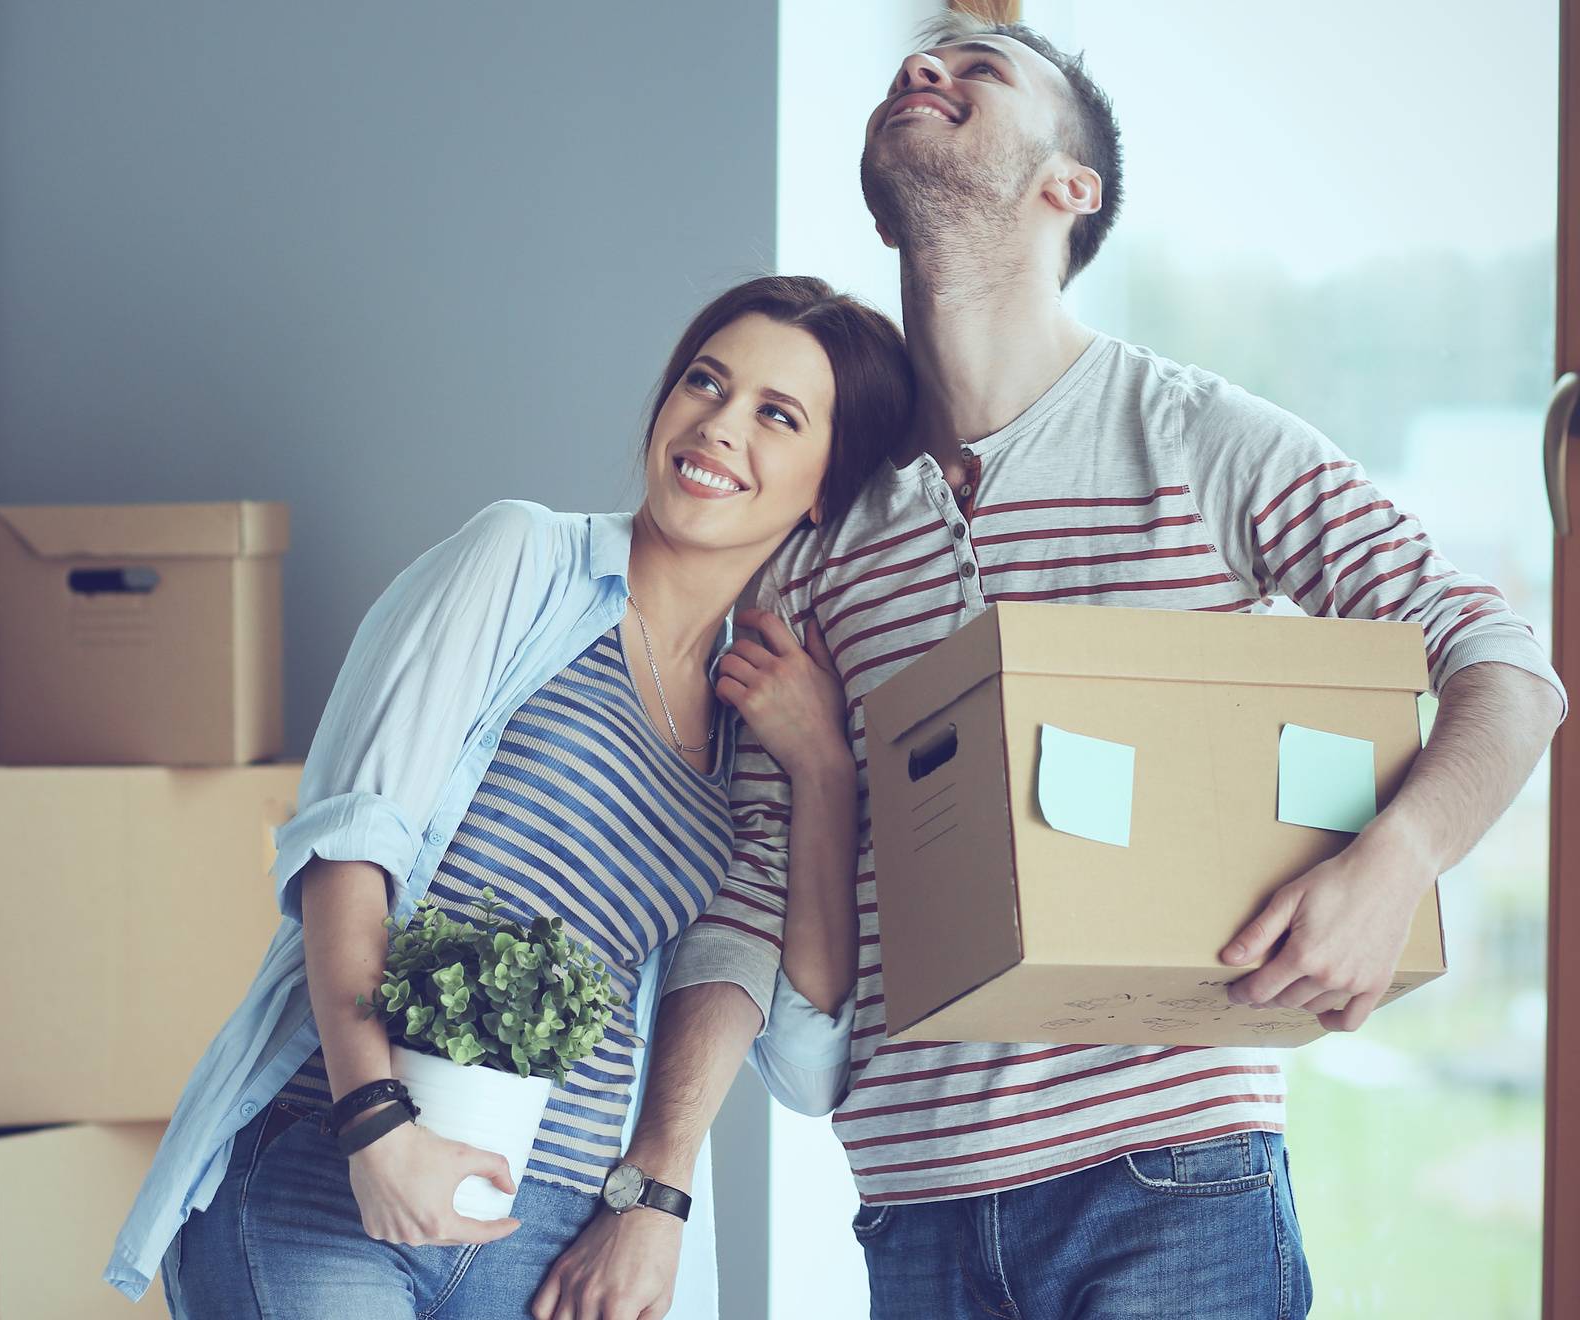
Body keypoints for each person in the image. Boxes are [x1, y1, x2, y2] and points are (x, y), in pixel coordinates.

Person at [533, 16, 1567, 1320]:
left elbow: (1505, 662)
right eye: (918, 61)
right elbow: (752, 897)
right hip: (916, 1212)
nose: (925, 69)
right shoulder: (814, 529)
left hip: (1173, 1179)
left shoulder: (1196, 439)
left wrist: (1398, 859)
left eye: (981, 67)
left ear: (1068, 190)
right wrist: (657, 1185)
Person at [103, 274, 921, 1318]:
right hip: (337, 1163)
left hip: (548, 1241)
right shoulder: (523, 562)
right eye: (704, 384)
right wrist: (374, 1125)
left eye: (775, 414)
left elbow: (804, 1058)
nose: (717, 427)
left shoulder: (750, 739)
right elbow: (351, 846)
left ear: (824, 483)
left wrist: (822, 772)